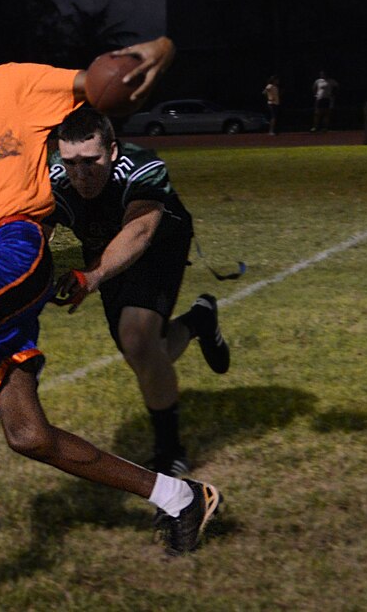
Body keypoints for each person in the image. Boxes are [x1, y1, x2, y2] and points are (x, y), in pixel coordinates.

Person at [0, 31, 222, 557]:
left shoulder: (13, 84)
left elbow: (98, 83)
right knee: (28, 435)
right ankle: (180, 497)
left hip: (18, 245)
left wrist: (158, 50)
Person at [44, 107, 231, 478]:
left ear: (112, 151)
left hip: (159, 242)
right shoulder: (52, 174)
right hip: (103, 250)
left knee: (139, 341)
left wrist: (92, 275)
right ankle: (198, 320)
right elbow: (36, 227)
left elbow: (140, 233)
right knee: (142, 354)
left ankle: (169, 451)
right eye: (71, 163)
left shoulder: (142, 164)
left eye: (91, 161)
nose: (81, 175)